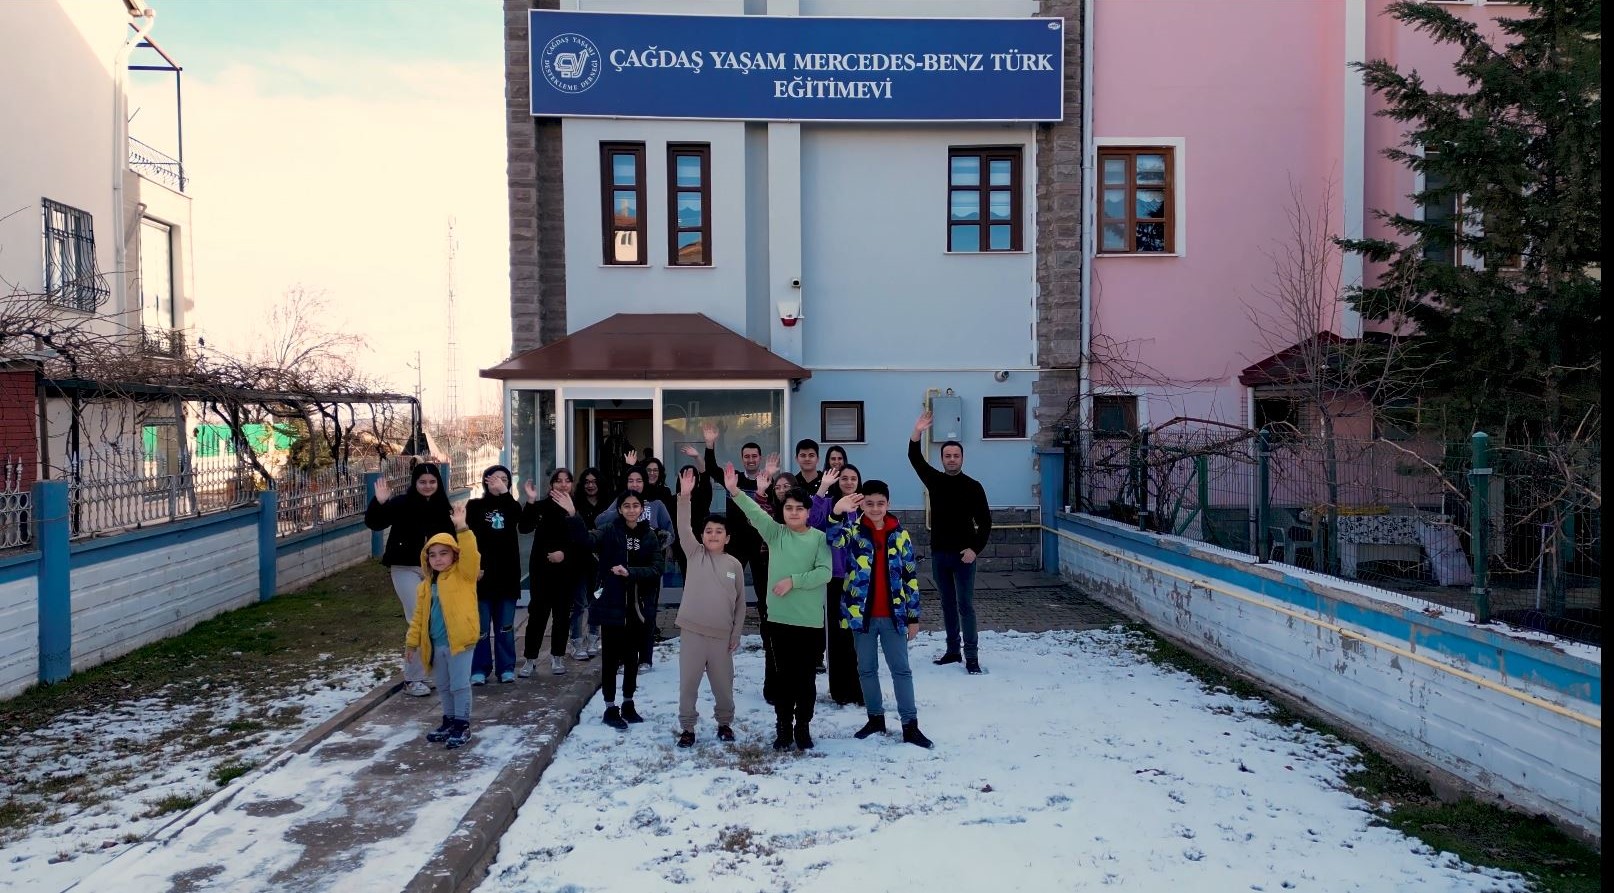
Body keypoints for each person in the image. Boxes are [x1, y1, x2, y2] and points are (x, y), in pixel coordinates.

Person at [724, 463, 831, 752]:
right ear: (782, 512)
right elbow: (755, 513)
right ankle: (783, 728)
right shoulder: (775, 534)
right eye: (789, 508)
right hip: (779, 621)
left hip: (809, 622)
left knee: (806, 680)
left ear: (808, 512)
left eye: (799, 508)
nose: (793, 512)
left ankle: (803, 727)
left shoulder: (819, 539)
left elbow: (825, 573)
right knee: (783, 679)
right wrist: (734, 490)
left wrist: (793, 582)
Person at [827, 481, 934, 748]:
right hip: (861, 615)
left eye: (880, 503)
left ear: (888, 504)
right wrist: (837, 512)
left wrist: (913, 617)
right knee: (866, 669)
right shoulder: (853, 531)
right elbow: (832, 538)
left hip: (893, 616)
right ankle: (875, 718)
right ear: (861, 504)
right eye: (869, 503)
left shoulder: (900, 535)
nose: (875, 508)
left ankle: (910, 725)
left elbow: (910, 577)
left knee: (901, 670)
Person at [560, 489, 665, 730]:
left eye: (635, 506)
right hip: (611, 603)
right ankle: (610, 706)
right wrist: (573, 515)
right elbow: (585, 540)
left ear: (642, 508)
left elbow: (657, 568)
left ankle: (628, 702)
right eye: (626, 506)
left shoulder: (649, 535)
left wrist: (631, 573)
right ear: (619, 509)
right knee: (610, 659)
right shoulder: (609, 530)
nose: (631, 510)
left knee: (632, 657)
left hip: (636, 606)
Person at [909, 410, 993, 674]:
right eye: (947, 456)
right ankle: (953, 650)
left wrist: (974, 549)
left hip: (964, 556)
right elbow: (914, 457)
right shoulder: (935, 481)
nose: (952, 459)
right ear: (943, 459)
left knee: (965, 605)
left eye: (956, 455)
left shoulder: (973, 487)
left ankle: (972, 656)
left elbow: (986, 522)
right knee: (946, 604)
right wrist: (917, 431)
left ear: (962, 458)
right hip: (940, 554)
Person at [365, 462, 455, 696]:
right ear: (415, 483)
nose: (427, 486)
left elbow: (451, 541)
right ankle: (412, 679)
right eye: (422, 482)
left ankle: (425, 672)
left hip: (434, 572)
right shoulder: (401, 504)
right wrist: (380, 501)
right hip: (405, 568)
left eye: (432, 482)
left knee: (435, 621)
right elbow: (375, 523)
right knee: (419, 619)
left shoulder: (443, 507)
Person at [673, 468, 746, 747]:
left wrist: (736, 633)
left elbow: (740, 604)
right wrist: (685, 497)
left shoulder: (734, 565)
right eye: (708, 531)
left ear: (727, 537)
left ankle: (724, 723)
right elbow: (682, 528)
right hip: (692, 633)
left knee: (723, 686)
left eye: (719, 531)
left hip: (721, 637)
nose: (713, 535)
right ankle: (688, 728)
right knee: (688, 685)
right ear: (702, 536)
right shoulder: (695, 554)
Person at [701, 425, 774, 702]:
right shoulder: (734, 478)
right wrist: (710, 444)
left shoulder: (766, 480)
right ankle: (719, 640)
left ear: (760, 457)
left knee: (765, 597)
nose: (751, 460)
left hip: (761, 545)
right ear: (743, 459)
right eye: (747, 456)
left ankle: (769, 641)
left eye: (755, 456)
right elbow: (710, 469)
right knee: (725, 594)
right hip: (736, 546)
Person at [406, 503, 481, 750]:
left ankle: (462, 724)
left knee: (460, 685)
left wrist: (462, 528)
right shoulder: (425, 586)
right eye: (433, 554)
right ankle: (449, 721)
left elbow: (471, 555)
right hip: (436, 643)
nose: (438, 559)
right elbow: (418, 617)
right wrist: (412, 642)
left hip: (460, 642)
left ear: (455, 555)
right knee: (445, 686)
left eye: (444, 553)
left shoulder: (464, 576)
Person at [596, 465, 672, 671]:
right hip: (622, 568)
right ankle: (623, 657)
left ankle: (645, 658)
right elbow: (600, 520)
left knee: (647, 613)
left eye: (639, 481)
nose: (635, 484)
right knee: (623, 614)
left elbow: (670, 532)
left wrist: (655, 543)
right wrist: (621, 509)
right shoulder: (620, 503)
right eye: (631, 481)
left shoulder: (656, 504)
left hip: (647, 569)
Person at [519, 469, 587, 678]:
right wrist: (530, 500)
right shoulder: (541, 506)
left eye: (567, 481)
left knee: (561, 617)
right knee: (537, 616)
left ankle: (557, 656)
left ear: (572, 485)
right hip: (541, 571)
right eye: (559, 481)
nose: (563, 485)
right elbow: (524, 527)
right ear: (552, 485)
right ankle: (530, 659)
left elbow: (583, 540)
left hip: (566, 571)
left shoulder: (577, 508)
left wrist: (564, 554)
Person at [466, 465, 522, 685]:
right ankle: (479, 668)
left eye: (504, 479)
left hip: (507, 576)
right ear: (485, 481)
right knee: (480, 629)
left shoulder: (511, 506)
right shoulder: (475, 506)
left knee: (505, 626)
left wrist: (505, 495)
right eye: (494, 478)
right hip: (481, 576)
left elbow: (519, 518)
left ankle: (506, 667)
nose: (499, 482)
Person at [814, 464, 865, 706]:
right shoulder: (829, 503)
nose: (848, 482)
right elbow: (814, 523)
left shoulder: (865, 506)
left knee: (857, 636)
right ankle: (839, 690)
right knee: (836, 636)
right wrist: (823, 490)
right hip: (834, 578)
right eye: (844, 478)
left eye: (853, 478)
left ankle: (859, 687)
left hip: (859, 579)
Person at [569, 467, 609, 658]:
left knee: (597, 601)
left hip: (600, 561)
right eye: (587, 482)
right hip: (579, 559)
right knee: (579, 603)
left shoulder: (607, 504)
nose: (590, 485)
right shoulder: (575, 504)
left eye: (594, 482)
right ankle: (576, 641)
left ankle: (593, 637)